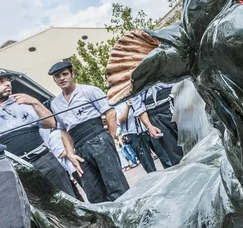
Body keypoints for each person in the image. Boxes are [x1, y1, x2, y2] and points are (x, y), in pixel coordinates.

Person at [48, 60, 129, 203]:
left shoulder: (89, 90)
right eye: (57, 76)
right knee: (93, 192)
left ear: (72, 74)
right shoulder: (55, 104)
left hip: (98, 137)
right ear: (54, 80)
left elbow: (110, 113)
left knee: (115, 184)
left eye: (65, 74)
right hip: (78, 146)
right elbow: (64, 131)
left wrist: (109, 138)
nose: (62, 78)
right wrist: (70, 154)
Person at [0, 69, 76, 197]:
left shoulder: (23, 102)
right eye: (1, 82)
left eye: (8, 80)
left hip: (44, 161)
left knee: (69, 199)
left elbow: (51, 123)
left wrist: (35, 102)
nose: (8, 83)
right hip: (18, 171)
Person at [131, 83, 183, 166]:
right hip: (156, 115)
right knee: (174, 153)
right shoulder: (131, 78)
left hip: (178, 103)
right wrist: (149, 126)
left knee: (193, 143)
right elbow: (137, 104)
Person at [116, 99, 171, 173]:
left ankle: (172, 173)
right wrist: (127, 107)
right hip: (133, 134)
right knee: (147, 164)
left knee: (165, 156)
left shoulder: (136, 96)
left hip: (148, 129)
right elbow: (119, 121)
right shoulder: (117, 103)